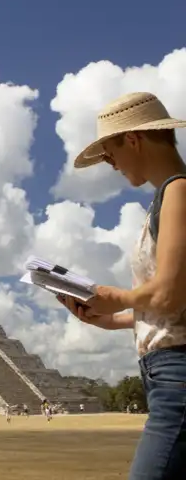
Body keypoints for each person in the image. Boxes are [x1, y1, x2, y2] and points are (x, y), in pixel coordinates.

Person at [58, 92, 186, 480]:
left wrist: (114, 298)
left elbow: (168, 294)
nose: (111, 166)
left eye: (110, 153)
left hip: (177, 377)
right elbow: (170, 309)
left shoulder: (178, 190)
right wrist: (108, 319)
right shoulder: (166, 198)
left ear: (133, 139)